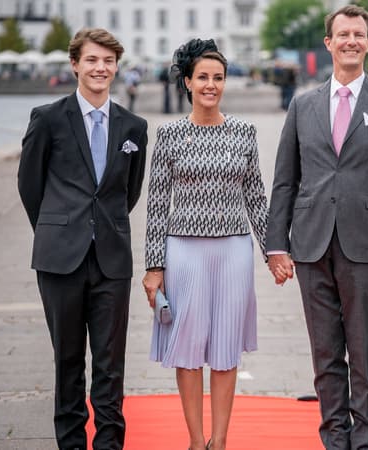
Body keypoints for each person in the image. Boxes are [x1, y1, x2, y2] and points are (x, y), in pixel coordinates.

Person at [266, 5, 368, 448]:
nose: (351, 41)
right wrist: (276, 244)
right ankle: (334, 438)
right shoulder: (303, 104)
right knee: (326, 353)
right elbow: (285, 178)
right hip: (311, 244)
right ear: (328, 43)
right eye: (342, 34)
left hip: (367, 245)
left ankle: (365, 441)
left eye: (358, 34)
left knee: (362, 351)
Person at [17, 28, 148, 449]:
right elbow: (29, 185)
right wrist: (59, 227)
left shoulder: (134, 126)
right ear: (75, 64)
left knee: (111, 366)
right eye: (92, 60)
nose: (100, 68)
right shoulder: (48, 118)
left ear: (116, 67)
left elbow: (130, 192)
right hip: (60, 260)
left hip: (112, 261)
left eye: (108, 61)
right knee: (68, 361)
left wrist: (102, 226)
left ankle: (109, 444)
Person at [142, 38, 268, 450]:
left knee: (227, 348)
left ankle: (221, 440)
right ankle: (196, 441)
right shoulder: (171, 134)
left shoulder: (245, 132)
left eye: (218, 77)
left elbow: (256, 198)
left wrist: (274, 253)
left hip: (233, 249)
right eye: (203, 77)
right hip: (184, 252)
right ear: (187, 82)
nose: (211, 85)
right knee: (188, 348)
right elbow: (157, 204)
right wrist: (153, 267)